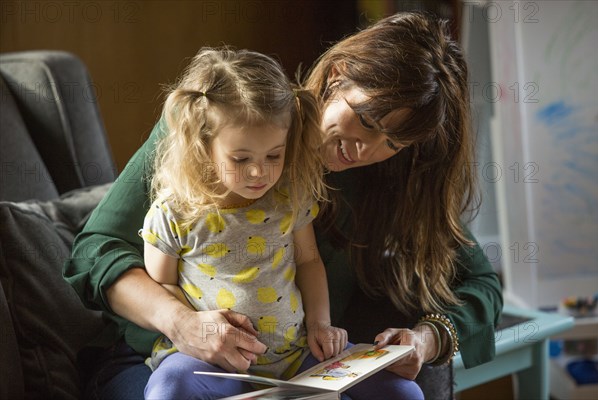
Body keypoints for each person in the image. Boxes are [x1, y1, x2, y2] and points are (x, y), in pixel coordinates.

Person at [64, 11, 502, 400]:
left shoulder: (388, 184)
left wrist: (426, 339)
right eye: (367, 119)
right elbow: (95, 250)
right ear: (338, 73)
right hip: (168, 363)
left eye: (392, 142)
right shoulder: (226, 123)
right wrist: (181, 323)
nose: (364, 148)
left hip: (296, 366)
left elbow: (480, 281)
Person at [135, 47, 420, 399]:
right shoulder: (176, 211)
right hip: (212, 361)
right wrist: (196, 330)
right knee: (167, 388)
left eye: (274, 155)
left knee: (403, 393)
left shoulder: (289, 196)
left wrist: (320, 324)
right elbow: (161, 286)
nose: (259, 172)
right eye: (240, 158)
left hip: (295, 354)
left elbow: (308, 260)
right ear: (204, 144)